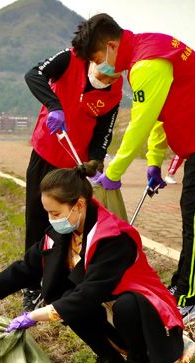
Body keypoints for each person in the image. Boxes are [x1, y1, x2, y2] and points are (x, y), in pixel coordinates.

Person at [72, 14, 195, 322]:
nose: (99, 67)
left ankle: (187, 300)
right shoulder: (146, 49)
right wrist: (154, 162)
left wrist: (114, 172)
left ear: (111, 46)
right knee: (192, 212)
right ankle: (183, 284)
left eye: (98, 59)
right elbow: (159, 114)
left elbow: (140, 123)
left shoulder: (146, 64)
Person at [0, 167, 184, 363]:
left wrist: (33, 316)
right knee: (60, 296)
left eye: (55, 213)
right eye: (48, 213)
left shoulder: (113, 237)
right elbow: (24, 269)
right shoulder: (64, 230)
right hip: (105, 302)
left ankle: (139, 360)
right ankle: (108, 358)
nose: (51, 220)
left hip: (144, 309)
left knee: (123, 305)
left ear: (79, 205)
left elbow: (90, 292)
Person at [22, 45, 124, 311]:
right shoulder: (71, 57)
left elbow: (104, 132)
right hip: (45, 151)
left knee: (66, 226)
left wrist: (96, 160)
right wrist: (54, 105)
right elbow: (33, 75)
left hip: (73, 166)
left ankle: (59, 287)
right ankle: (31, 287)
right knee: (36, 218)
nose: (105, 82)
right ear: (94, 59)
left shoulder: (114, 92)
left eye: (111, 78)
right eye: (102, 75)